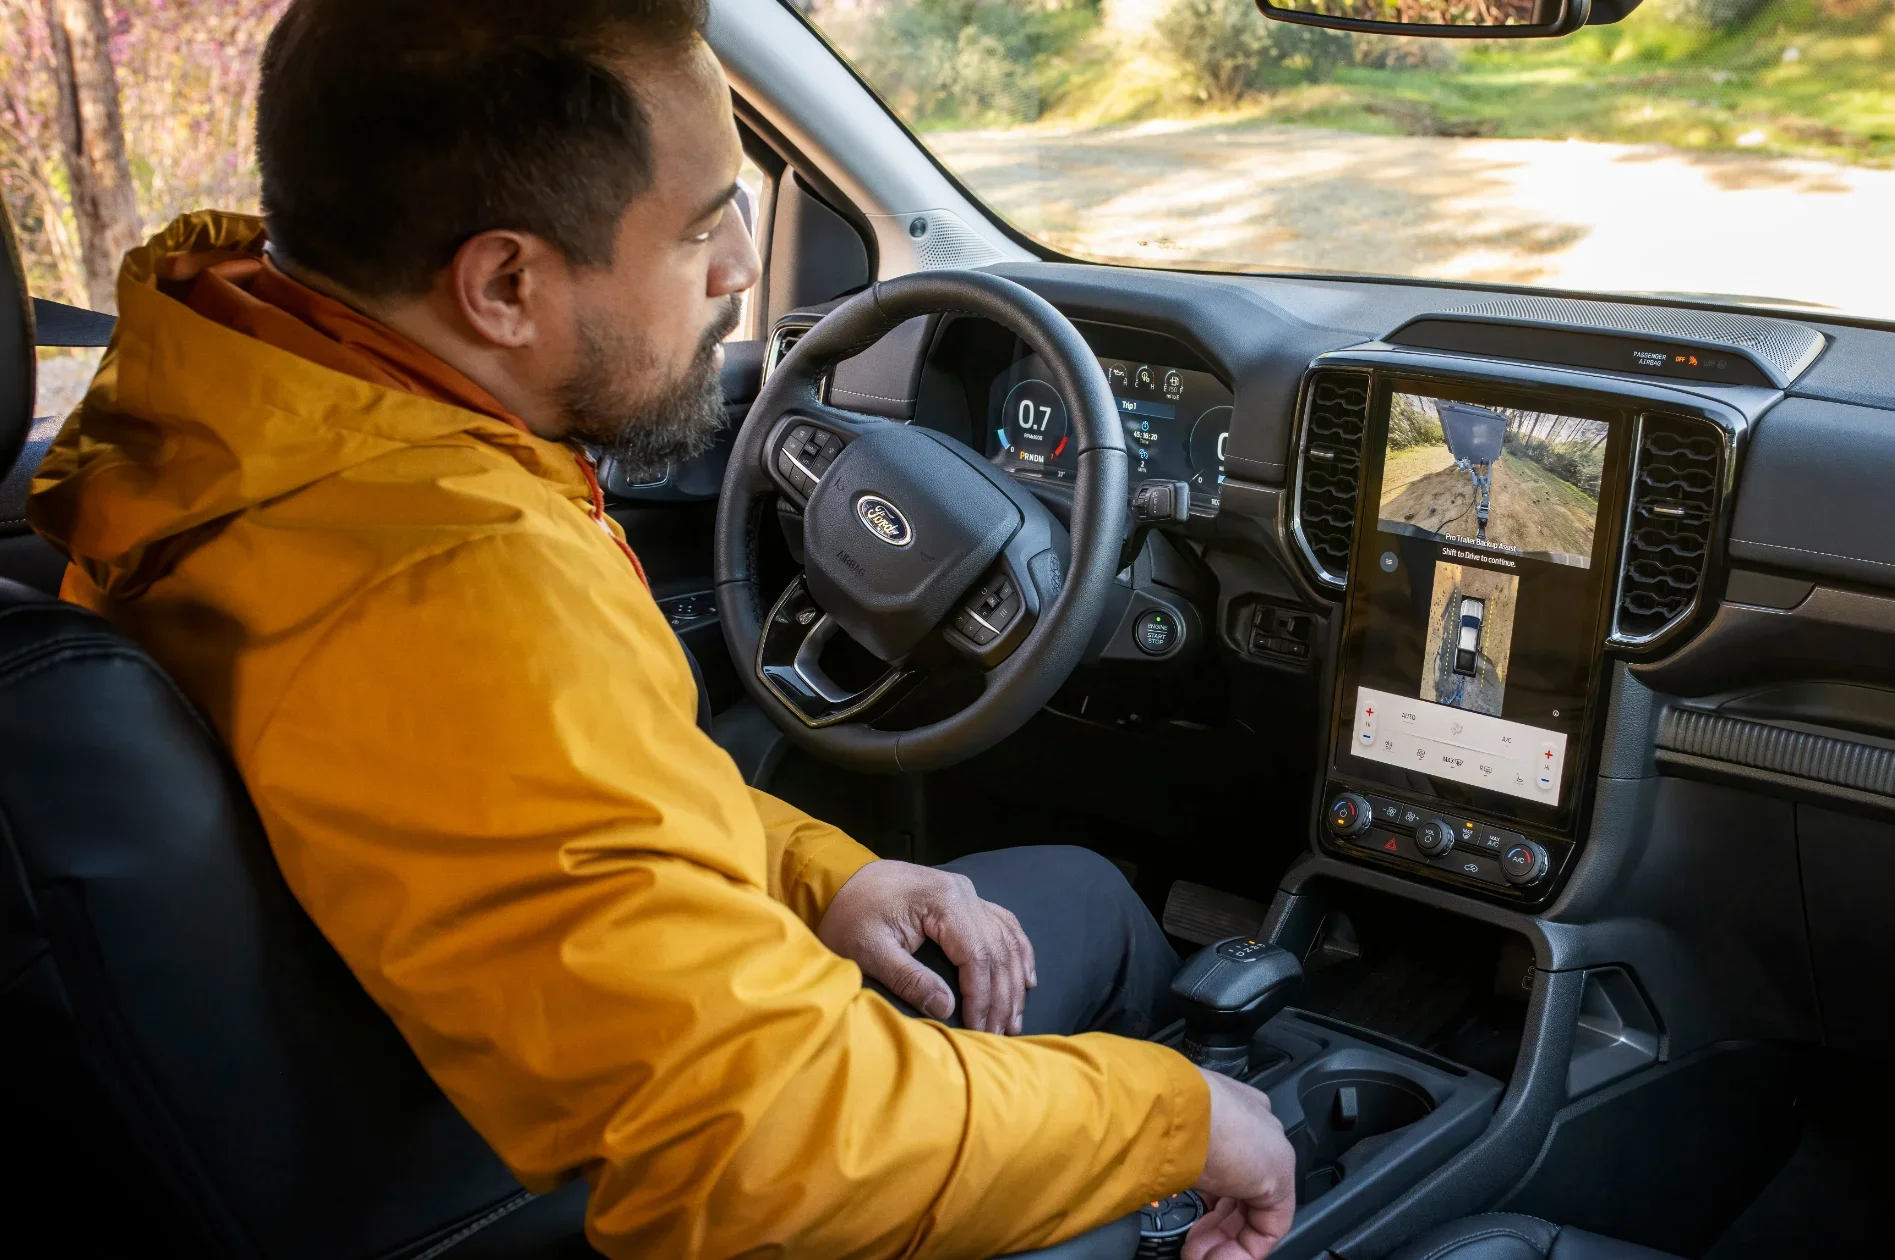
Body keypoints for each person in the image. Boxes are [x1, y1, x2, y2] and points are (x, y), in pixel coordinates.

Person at [27, 2, 1295, 1257]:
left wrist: (822, 872)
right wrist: (1181, 1123)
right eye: (700, 225)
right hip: (542, 1181)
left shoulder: (244, 419)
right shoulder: (452, 584)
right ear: (505, 284)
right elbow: (753, 1137)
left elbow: (547, 803)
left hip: (420, 1086)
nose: (741, 266)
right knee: (1091, 906)